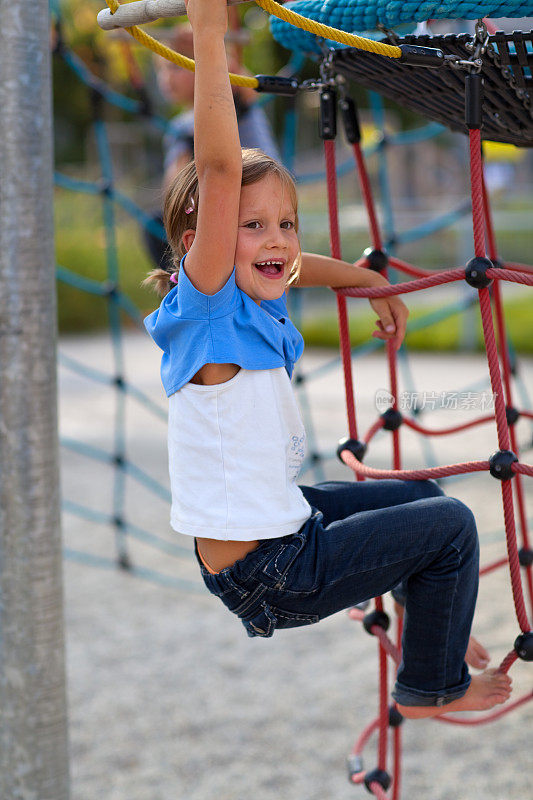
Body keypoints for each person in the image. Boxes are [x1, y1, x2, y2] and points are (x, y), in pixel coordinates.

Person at [142, 0, 512, 720]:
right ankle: (430, 686)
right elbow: (218, 168)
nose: (274, 238)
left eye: (284, 222)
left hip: (286, 529)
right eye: (249, 226)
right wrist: (211, 32)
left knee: (423, 501)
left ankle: (426, 632)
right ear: (198, 242)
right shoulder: (208, 305)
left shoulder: (251, 290)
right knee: (454, 527)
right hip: (273, 572)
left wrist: (365, 280)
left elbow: (295, 265)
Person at [144, 22, 280, 270]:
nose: (166, 78)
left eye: (176, 67)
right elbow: (172, 191)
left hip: (258, 207)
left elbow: (239, 78)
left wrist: (209, 43)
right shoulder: (179, 128)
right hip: (214, 220)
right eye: (162, 70)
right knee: (155, 226)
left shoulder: (234, 104)